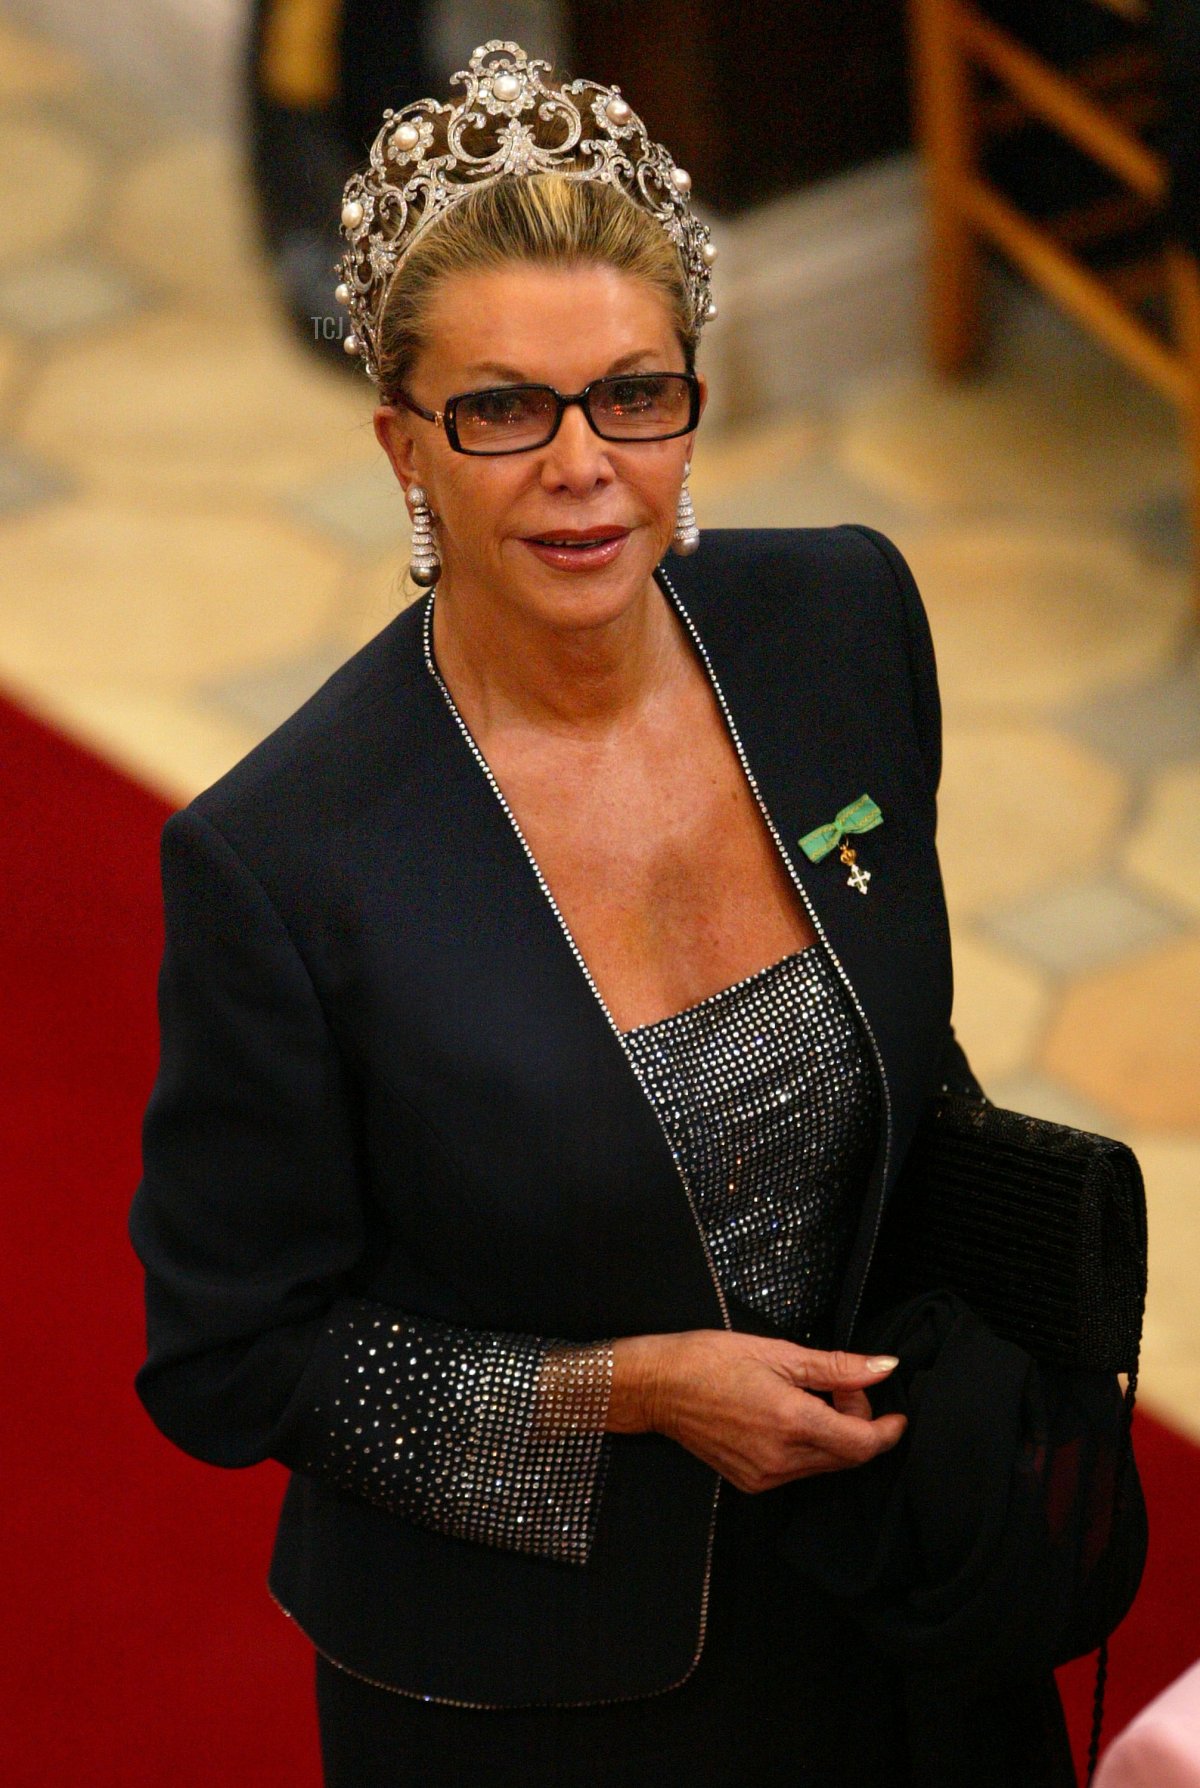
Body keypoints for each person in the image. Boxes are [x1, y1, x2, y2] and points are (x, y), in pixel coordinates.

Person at [128, 42, 1141, 1788]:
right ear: (405, 448)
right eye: (504, 407)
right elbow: (233, 1363)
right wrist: (633, 1392)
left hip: (904, 1597)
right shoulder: (288, 863)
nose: (584, 465)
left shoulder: (842, 625)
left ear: (693, 400)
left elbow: (911, 1051)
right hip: (545, 1696)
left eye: (635, 394)